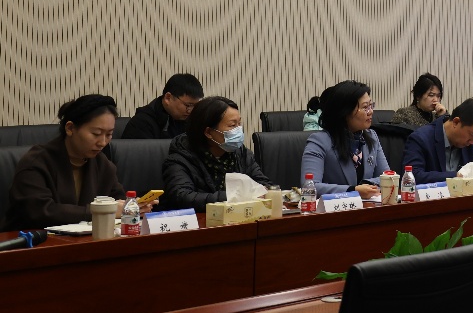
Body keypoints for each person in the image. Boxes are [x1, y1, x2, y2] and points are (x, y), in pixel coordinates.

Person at [2, 95, 155, 230]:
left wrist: (132, 208)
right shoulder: (37, 161)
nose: (102, 142)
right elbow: (41, 212)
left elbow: (117, 200)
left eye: (109, 134)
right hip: (32, 244)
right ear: (70, 128)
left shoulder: (102, 164)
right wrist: (102, 211)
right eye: (96, 133)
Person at [162, 96, 276, 212]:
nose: (238, 130)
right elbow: (182, 197)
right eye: (232, 125)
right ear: (208, 132)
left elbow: (264, 184)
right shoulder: (180, 158)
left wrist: (266, 192)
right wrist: (234, 196)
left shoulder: (241, 153)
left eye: (239, 124)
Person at [301, 81, 389, 198]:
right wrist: (353, 190)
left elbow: (387, 177)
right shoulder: (319, 142)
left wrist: (366, 185)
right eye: (365, 107)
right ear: (345, 112)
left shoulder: (371, 136)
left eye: (371, 105)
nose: (371, 111)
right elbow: (309, 187)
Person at [401, 98, 473, 183]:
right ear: (456, 122)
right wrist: (454, 176)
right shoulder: (421, 138)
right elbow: (412, 176)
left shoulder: (470, 141)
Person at [121, 73, 203, 139]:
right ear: (168, 98)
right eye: (188, 105)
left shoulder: (191, 122)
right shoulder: (142, 124)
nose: (190, 111)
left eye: (195, 106)